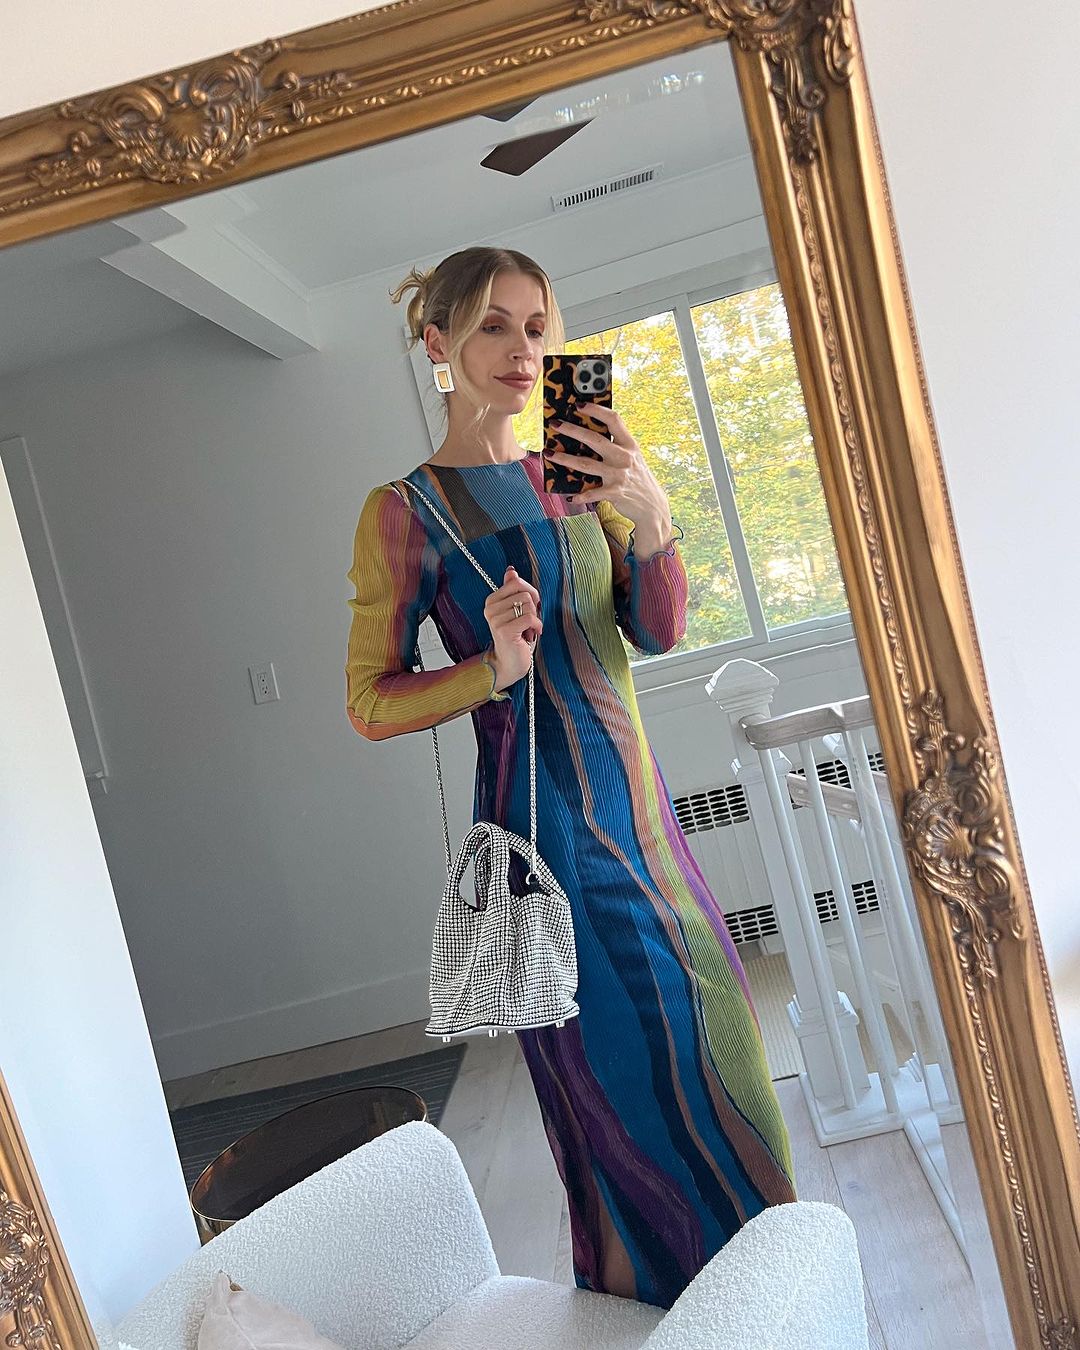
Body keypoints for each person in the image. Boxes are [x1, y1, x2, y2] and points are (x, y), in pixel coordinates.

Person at [345, 246, 796, 1309]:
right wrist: (489, 671)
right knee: (620, 1093)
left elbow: (655, 628)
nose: (524, 350)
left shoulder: (576, 467)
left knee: (726, 1059)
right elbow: (368, 699)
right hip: (545, 839)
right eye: (494, 326)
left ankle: (775, 1302)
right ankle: (670, 1317)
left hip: (645, 820)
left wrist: (652, 515)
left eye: (539, 327)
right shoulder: (405, 511)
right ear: (437, 343)